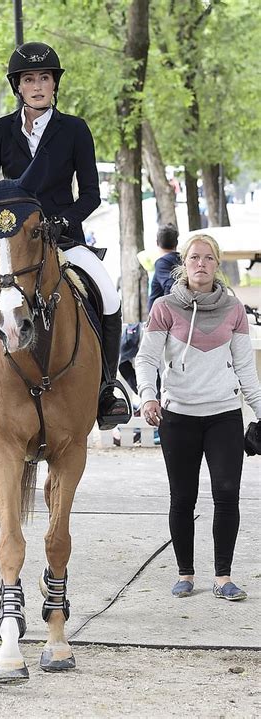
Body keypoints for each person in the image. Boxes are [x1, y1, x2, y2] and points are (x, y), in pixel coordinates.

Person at [0, 41, 129, 430]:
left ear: (54, 84)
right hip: (10, 243)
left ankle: (107, 387)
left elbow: (91, 194)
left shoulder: (74, 130)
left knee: (108, 293)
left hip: (63, 239)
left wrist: (65, 223)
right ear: (17, 87)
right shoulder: (0, 131)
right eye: (28, 79)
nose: (37, 85)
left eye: (44, 78)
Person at [136, 233, 261, 601]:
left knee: (226, 494)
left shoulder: (235, 310)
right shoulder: (164, 307)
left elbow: (245, 368)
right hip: (178, 416)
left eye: (208, 258)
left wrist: (259, 409)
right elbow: (145, 359)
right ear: (184, 263)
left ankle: (223, 577)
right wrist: (148, 397)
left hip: (224, 414)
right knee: (182, 497)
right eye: (194, 258)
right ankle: (185, 574)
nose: (201, 264)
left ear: (217, 264)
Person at [147, 224, 180, 311]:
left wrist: (167, 313)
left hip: (160, 318)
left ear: (157, 242)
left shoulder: (162, 263)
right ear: (176, 243)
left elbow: (170, 284)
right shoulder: (183, 260)